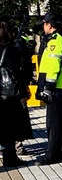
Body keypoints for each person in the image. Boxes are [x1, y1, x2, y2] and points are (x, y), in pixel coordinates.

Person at [35, 13, 62, 166]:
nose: (43, 26)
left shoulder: (55, 42)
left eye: (44, 24)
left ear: (50, 25)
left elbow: (53, 67)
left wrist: (48, 88)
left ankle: (52, 155)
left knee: (53, 123)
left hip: (56, 88)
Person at [0, 21, 31, 167]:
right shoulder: (9, 50)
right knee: (9, 126)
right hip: (8, 94)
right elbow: (16, 73)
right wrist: (24, 90)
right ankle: (10, 157)